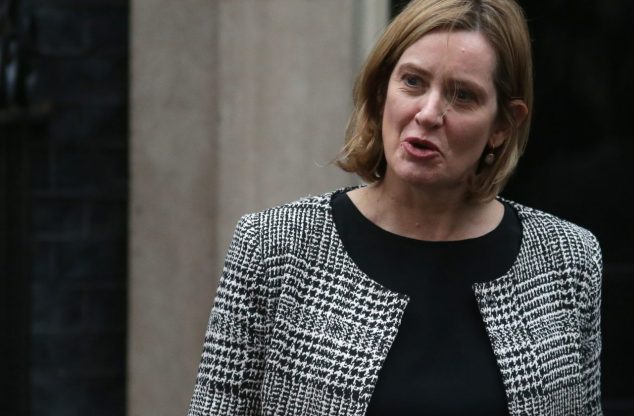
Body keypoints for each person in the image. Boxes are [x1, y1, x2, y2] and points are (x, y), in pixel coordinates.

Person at [188, 0, 603, 415]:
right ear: (381, 89)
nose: (427, 113)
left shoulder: (566, 260)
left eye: (463, 96)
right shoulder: (274, 245)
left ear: (502, 126)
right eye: (413, 82)